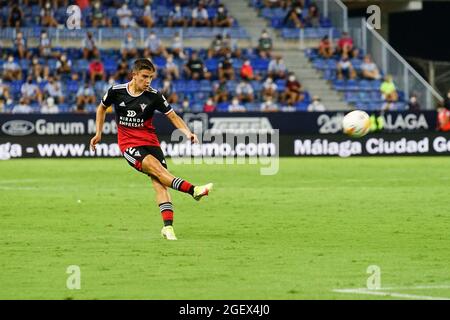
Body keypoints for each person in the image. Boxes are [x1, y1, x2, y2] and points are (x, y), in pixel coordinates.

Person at [90, 59, 213, 241]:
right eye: (145, 77)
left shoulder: (154, 95)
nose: (148, 81)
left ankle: (168, 228)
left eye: (151, 78)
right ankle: (193, 190)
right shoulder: (116, 92)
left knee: (161, 183)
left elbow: (172, 116)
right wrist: (98, 133)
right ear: (134, 75)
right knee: (157, 170)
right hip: (129, 144)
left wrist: (187, 132)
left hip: (151, 143)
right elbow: (101, 109)